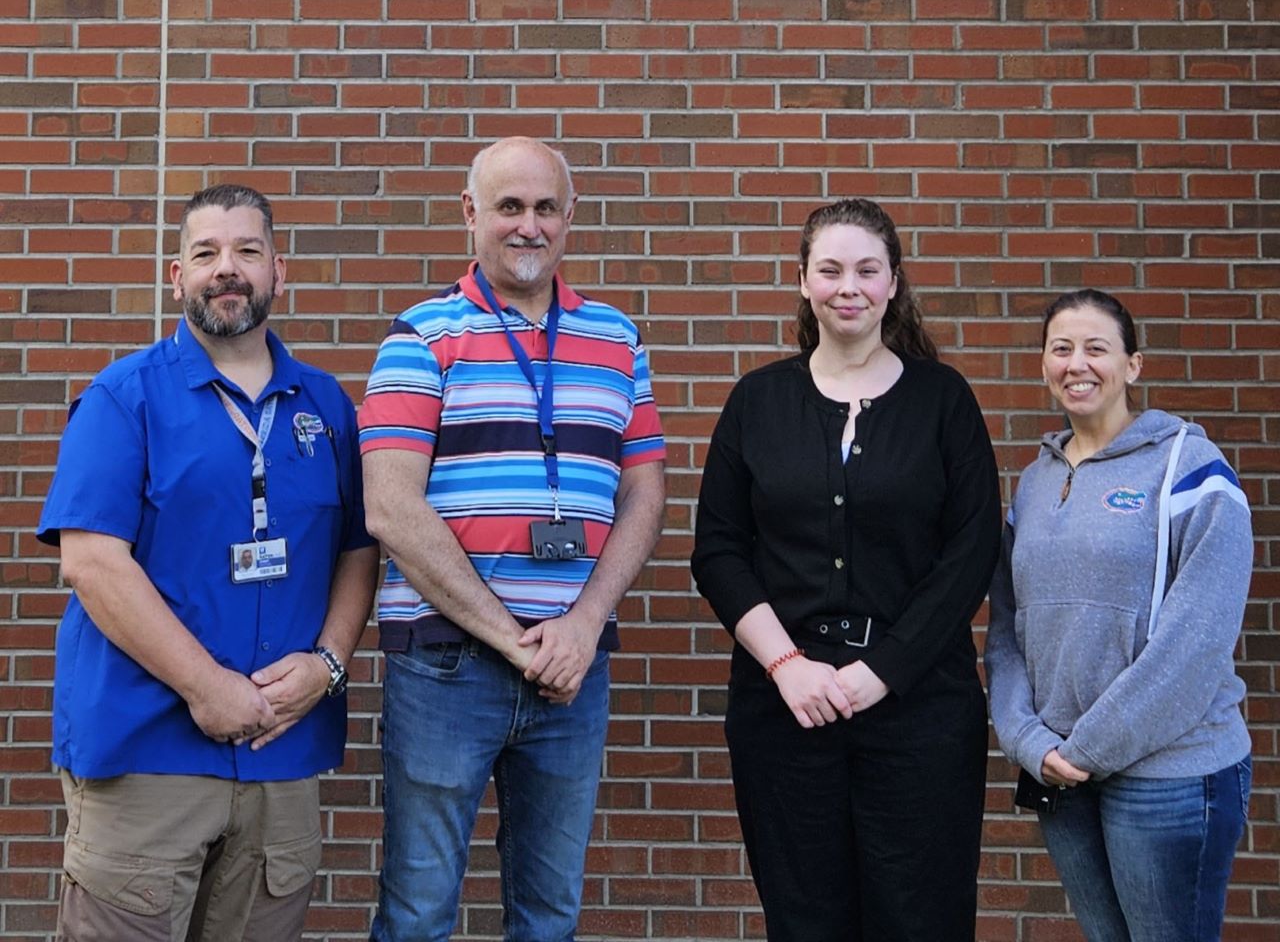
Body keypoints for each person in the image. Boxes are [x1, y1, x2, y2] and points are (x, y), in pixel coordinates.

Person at [35, 183, 380, 941]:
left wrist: (327, 665)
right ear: (176, 276)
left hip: (280, 754)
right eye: (206, 254)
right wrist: (207, 686)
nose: (228, 269)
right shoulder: (123, 399)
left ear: (278, 273)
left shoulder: (327, 408)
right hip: (147, 752)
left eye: (248, 252)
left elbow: (359, 549)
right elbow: (91, 563)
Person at [358, 136, 666, 941]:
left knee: (550, 915)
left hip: (573, 669)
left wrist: (583, 624)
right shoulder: (420, 337)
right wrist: (512, 638)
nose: (527, 226)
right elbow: (390, 506)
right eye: (508, 207)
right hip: (446, 667)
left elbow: (644, 491)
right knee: (419, 913)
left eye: (544, 208)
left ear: (570, 218)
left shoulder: (616, 339)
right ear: (471, 215)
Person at [691, 197, 1002, 941]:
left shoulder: (943, 400)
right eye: (829, 270)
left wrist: (882, 670)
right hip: (784, 711)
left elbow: (971, 551)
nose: (848, 287)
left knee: (920, 917)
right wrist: (787, 665)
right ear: (803, 280)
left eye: (867, 270)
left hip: (920, 708)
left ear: (894, 283)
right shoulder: (757, 400)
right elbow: (720, 550)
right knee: (805, 921)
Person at [985, 289, 1253, 942]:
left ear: (1133, 365)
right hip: (1062, 777)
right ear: (1044, 365)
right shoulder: (1035, 481)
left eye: (1096, 348)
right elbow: (1007, 629)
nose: (1077, 363)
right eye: (1060, 348)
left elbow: (1197, 642)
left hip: (1169, 775)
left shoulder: (1189, 468)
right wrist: (1030, 742)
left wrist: (1085, 749)